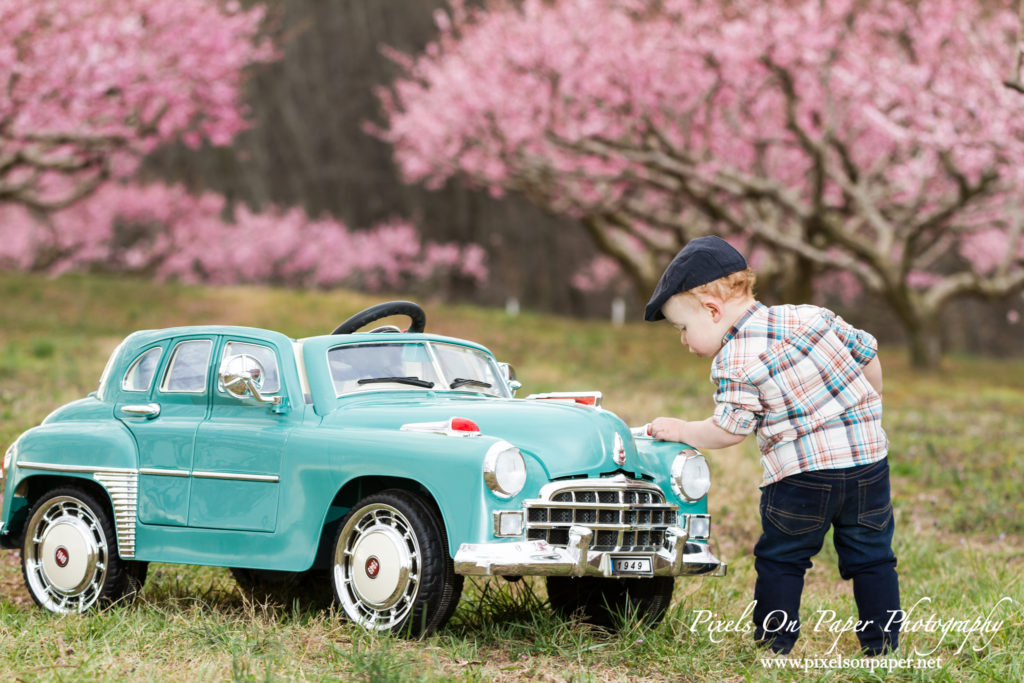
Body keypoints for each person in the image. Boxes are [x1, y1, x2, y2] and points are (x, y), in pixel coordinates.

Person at [643, 236, 900, 656]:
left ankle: (775, 643)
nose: (685, 342)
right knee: (873, 558)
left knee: (782, 559)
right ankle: (883, 645)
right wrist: (872, 403)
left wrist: (682, 430)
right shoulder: (811, 315)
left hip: (801, 480)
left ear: (712, 310)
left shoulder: (733, 361)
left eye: (684, 329)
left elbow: (729, 430)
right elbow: (867, 351)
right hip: (868, 463)